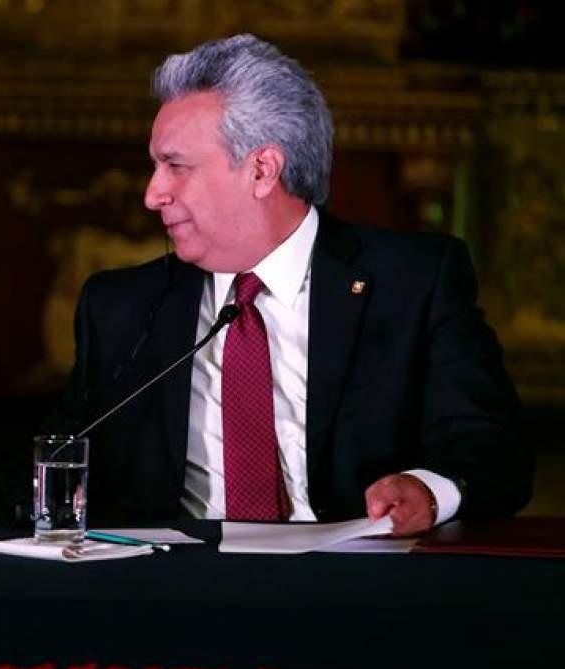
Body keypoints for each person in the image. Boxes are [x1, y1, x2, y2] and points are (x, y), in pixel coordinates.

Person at [58, 34, 532, 535]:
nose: (153, 195)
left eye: (176, 167)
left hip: (357, 591)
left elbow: (496, 451)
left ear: (262, 169)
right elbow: (55, 463)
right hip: (174, 591)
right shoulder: (120, 306)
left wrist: (429, 492)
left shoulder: (414, 282)